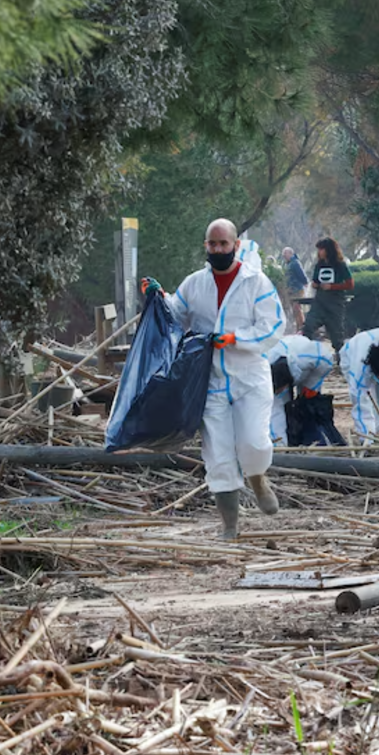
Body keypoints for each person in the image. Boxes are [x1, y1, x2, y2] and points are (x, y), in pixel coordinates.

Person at [144, 218, 284, 539]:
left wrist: (236, 338)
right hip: (209, 380)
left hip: (249, 376)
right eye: (212, 244)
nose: (218, 249)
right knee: (218, 455)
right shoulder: (195, 283)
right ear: (206, 246)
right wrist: (157, 296)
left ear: (236, 246)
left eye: (224, 244)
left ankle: (258, 478)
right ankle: (230, 527)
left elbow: (274, 326)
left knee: (253, 441)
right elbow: (176, 313)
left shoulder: (256, 282)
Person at [264, 334, 336, 446]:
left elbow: (325, 360)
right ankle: (281, 444)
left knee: (308, 406)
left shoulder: (310, 355)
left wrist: (312, 385)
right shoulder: (266, 362)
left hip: (306, 369)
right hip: (276, 376)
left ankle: (312, 439)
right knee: (277, 408)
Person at [301, 237, 354, 350]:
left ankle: (341, 361)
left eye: (321, 249)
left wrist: (333, 287)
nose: (319, 252)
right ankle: (306, 353)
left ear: (328, 250)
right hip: (319, 302)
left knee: (337, 336)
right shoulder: (319, 265)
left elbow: (350, 284)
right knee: (308, 327)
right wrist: (315, 284)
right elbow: (315, 281)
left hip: (335, 303)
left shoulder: (340, 265)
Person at [280, 247, 308, 327]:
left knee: (297, 308)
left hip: (297, 289)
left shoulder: (295, 263)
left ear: (290, 254)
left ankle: (301, 326)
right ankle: (299, 326)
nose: (284, 256)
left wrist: (305, 282)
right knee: (295, 310)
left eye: (285, 254)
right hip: (291, 290)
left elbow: (301, 274)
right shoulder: (288, 264)